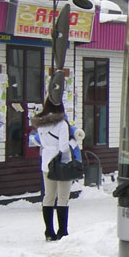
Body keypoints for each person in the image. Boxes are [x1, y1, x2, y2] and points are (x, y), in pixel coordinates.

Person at [31, 96, 82, 241]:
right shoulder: (62, 124)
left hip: (46, 163)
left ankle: (48, 231)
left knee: (48, 197)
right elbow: (64, 147)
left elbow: (39, 142)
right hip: (62, 164)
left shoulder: (40, 124)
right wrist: (74, 141)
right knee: (63, 198)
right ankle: (62, 231)